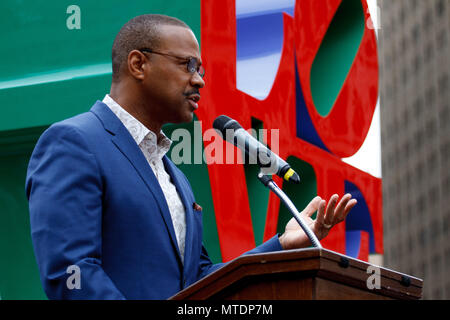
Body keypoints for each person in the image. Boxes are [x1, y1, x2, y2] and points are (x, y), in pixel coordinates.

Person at [25, 14, 357, 300]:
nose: (200, 79)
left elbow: (199, 281)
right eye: (188, 65)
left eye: (200, 68)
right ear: (139, 64)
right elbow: (71, 274)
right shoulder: (74, 142)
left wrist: (283, 244)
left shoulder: (175, 177)